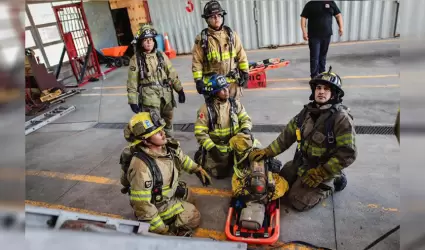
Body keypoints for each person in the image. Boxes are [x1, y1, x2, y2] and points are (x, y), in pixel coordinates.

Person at [249, 67, 357, 211]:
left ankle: (334, 181)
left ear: (334, 94)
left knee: (297, 200)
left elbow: (348, 153)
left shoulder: (341, 119)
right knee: (280, 181)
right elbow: (286, 136)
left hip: (324, 168)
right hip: (304, 162)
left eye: (326, 89)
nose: (321, 92)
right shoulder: (307, 112)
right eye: (318, 88)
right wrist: (268, 152)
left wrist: (321, 173)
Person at [119, 110, 212, 235]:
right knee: (193, 216)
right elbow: (142, 205)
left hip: (167, 192)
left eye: (161, 129)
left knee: (191, 197)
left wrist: (197, 169)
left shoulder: (166, 147)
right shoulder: (140, 167)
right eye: (157, 133)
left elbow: (182, 158)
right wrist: (162, 230)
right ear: (146, 141)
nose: (163, 134)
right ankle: (172, 229)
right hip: (157, 205)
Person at [127, 24, 186, 137]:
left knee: (168, 121)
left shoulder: (161, 55)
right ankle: (159, 147)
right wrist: (133, 101)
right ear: (141, 43)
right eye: (145, 40)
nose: (149, 42)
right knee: (155, 124)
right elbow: (132, 82)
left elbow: (172, 73)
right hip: (149, 98)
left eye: (150, 40)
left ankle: (169, 143)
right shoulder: (136, 60)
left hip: (166, 96)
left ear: (154, 41)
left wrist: (180, 90)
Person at [193, 74, 252, 178]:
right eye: (222, 89)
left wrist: (246, 129)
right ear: (215, 93)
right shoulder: (205, 110)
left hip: (235, 145)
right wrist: (212, 148)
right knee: (220, 174)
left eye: (226, 87)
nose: (227, 91)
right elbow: (200, 132)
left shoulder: (234, 104)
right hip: (218, 149)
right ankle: (202, 157)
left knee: (250, 160)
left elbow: (245, 118)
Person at [192, 0, 249, 100]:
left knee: (235, 111)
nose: (216, 18)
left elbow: (241, 55)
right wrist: (198, 81)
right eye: (213, 16)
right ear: (207, 19)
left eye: (219, 15)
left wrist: (245, 72)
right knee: (217, 113)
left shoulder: (232, 35)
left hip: (232, 84)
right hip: (214, 87)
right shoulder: (202, 39)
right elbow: (197, 62)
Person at [300, 1, 344, 79]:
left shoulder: (331, 3)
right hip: (314, 36)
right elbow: (303, 18)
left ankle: (322, 74)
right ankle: (314, 76)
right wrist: (304, 31)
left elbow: (338, 15)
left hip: (326, 35)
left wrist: (341, 27)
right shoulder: (310, 4)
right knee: (315, 57)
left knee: (323, 56)